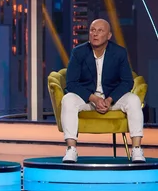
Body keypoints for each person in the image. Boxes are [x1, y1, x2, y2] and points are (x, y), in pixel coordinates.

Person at [61, 18, 145, 164]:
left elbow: (127, 82)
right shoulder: (78, 52)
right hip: (88, 98)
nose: (95, 34)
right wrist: (93, 98)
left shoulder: (119, 53)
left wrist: (110, 99)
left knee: (134, 100)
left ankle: (137, 149)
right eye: (92, 30)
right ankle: (71, 149)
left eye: (100, 31)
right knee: (68, 99)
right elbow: (71, 83)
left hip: (112, 98)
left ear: (109, 35)